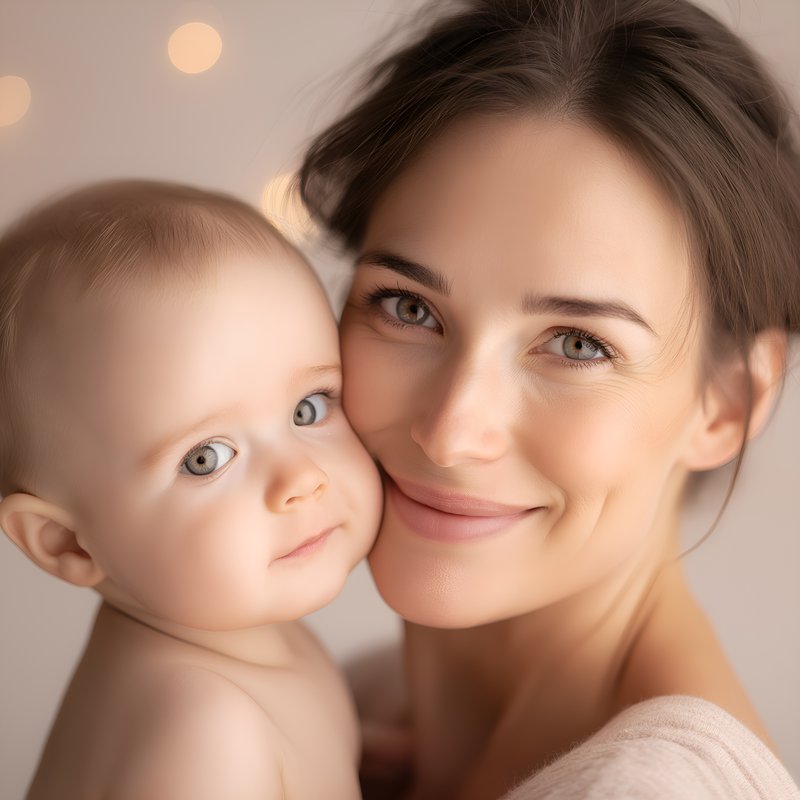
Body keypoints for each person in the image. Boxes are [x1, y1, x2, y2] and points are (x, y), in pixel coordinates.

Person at [299, 0, 800, 797]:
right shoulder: (345, 706)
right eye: (408, 307)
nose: (451, 431)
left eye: (578, 344)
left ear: (727, 403)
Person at [0, 180, 382, 800]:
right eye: (207, 458)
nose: (301, 480)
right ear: (67, 541)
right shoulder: (205, 730)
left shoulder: (243, 641)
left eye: (310, 408)